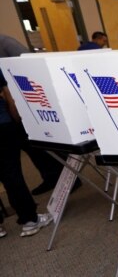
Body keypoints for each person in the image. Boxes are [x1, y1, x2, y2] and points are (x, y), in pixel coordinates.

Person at [0, 34, 67, 195]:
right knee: (31, 144)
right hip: (11, 101)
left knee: (40, 141)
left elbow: (29, 66)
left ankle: (65, 177)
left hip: (22, 97)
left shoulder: (6, 42)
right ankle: (52, 176)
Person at [0, 71, 53, 238]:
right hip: (2, 126)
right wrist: (17, 121)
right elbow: (7, 95)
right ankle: (30, 220)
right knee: (11, 174)